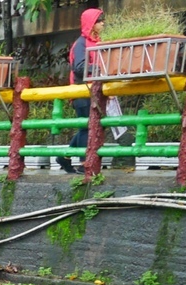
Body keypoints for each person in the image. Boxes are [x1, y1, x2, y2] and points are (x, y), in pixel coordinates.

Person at [59, 8, 106, 174]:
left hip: (91, 92)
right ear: (92, 24)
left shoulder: (95, 42)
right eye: (99, 21)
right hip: (82, 92)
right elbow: (78, 68)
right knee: (87, 127)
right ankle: (83, 163)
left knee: (86, 127)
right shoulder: (81, 43)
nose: (103, 23)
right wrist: (101, 68)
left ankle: (64, 156)